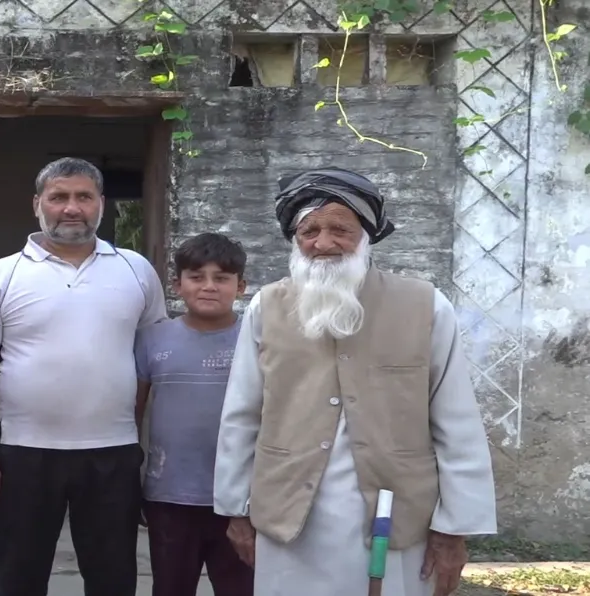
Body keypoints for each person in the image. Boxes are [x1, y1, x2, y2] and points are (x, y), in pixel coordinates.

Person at [213, 167, 498, 596]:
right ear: (294, 238)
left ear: (366, 236)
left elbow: (456, 422)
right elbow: (241, 415)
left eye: (340, 229)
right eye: (309, 230)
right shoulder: (267, 306)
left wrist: (453, 528)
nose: (323, 243)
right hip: (289, 518)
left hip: (396, 518)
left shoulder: (425, 305)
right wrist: (236, 510)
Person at [0, 157, 168, 596]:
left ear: (101, 204)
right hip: (23, 455)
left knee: (113, 579)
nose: (71, 208)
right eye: (59, 197)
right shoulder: (0, 275)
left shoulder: (136, 271)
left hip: (112, 454)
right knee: (21, 576)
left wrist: (140, 441)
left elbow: (150, 361)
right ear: (38, 204)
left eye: (83, 197)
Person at [135, 232, 253, 596]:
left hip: (240, 501)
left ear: (241, 286)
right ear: (177, 284)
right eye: (196, 276)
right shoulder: (152, 340)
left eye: (222, 278)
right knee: (170, 587)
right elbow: (134, 414)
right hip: (170, 497)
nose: (209, 287)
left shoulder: (257, 339)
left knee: (241, 588)